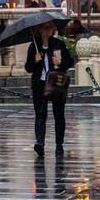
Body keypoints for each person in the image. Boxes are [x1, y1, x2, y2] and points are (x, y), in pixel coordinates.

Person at [25, 21, 74, 158]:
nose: (47, 31)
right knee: (40, 114)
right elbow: (28, 68)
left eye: (49, 28)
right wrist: (35, 60)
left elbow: (70, 61)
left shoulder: (58, 44)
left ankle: (59, 144)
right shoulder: (34, 47)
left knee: (59, 114)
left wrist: (60, 63)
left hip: (55, 84)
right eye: (44, 28)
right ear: (39, 30)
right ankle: (40, 143)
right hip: (40, 85)